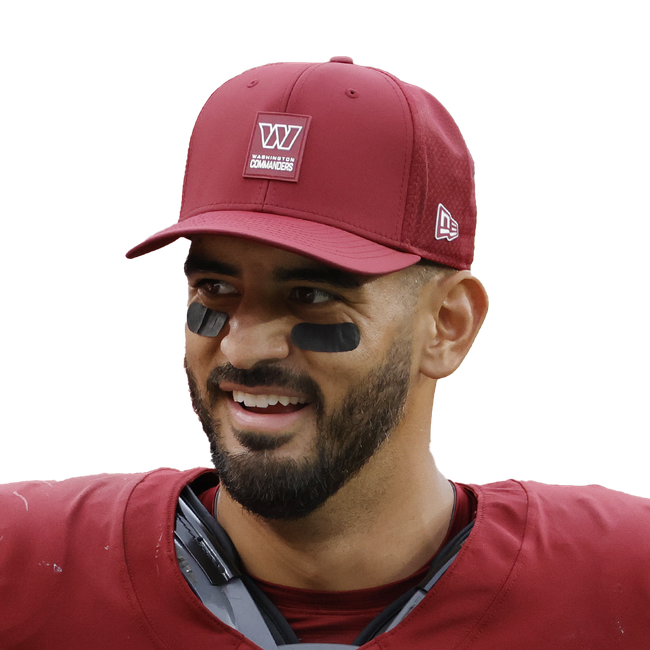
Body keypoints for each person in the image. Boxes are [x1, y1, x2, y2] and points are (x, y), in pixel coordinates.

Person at [1, 55, 648, 650]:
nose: (244, 347)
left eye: (311, 295)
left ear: (447, 326)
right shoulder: (21, 562)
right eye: (215, 288)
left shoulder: (624, 575)